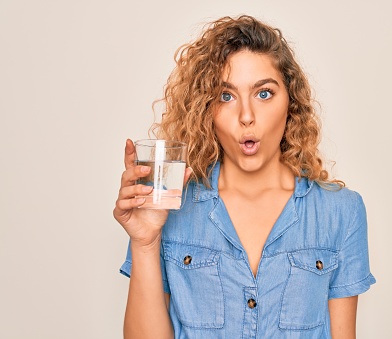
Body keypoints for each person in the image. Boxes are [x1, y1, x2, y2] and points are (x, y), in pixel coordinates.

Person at [114, 15, 375, 339]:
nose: (246, 116)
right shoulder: (169, 207)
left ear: (290, 103)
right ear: (205, 108)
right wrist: (145, 242)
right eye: (226, 95)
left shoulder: (340, 212)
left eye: (263, 93)